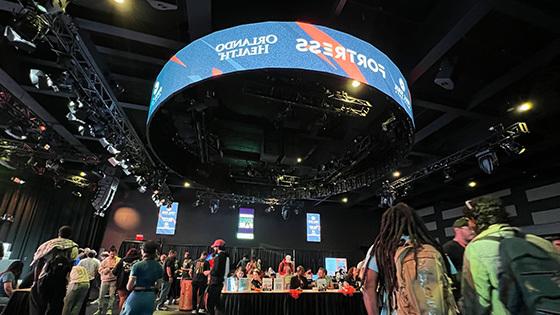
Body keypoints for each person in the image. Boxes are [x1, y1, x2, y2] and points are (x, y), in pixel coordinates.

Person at [462, 197, 560, 315]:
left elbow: (479, 299)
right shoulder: (539, 241)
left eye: (468, 220)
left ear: (474, 220)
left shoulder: (476, 248)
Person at [362, 203, 457, 315]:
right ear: (415, 222)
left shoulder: (381, 249)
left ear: (386, 224)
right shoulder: (430, 246)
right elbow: (452, 278)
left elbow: (368, 285)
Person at [29, 225, 79, 315]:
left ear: (59, 233)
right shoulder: (74, 247)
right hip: (61, 280)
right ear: (70, 235)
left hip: (45, 278)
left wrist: (35, 281)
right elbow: (71, 265)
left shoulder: (48, 244)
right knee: (56, 305)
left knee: (39, 304)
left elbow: (38, 263)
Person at [121, 241, 163, 315]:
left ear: (143, 251)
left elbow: (129, 287)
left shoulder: (137, 265)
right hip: (150, 297)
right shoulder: (159, 266)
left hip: (136, 296)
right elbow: (158, 286)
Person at [96, 246, 119, 315]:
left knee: (112, 296)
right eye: (111, 254)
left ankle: (109, 309)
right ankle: (99, 309)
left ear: (116, 253)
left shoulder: (118, 260)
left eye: (114, 254)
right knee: (101, 295)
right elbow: (99, 270)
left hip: (113, 280)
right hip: (105, 280)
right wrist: (107, 270)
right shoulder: (105, 260)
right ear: (109, 253)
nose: (112, 255)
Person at [207, 239, 229, 315]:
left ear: (218, 247)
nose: (213, 249)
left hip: (215, 282)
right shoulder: (226, 257)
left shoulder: (219, 257)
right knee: (217, 303)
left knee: (211, 303)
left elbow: (215, 270)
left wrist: (209, 272)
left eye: (214, 247)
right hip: (219, 281)